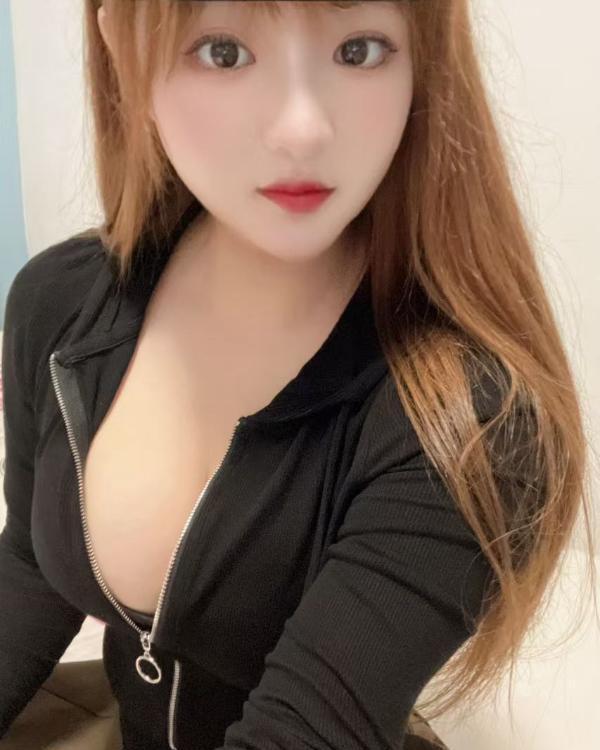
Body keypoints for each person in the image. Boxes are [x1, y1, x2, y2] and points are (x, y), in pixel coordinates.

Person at [0, 1, 596, 749]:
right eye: (222, 52)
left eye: (359, 50)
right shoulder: (59, 302)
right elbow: (29, 563)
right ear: (122, 45)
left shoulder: (469, 420)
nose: (303, 129)